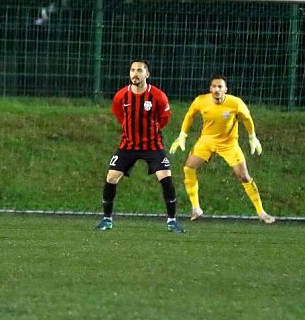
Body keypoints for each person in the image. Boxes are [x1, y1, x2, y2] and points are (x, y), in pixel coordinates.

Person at [170, 75, 276, 224]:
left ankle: (261, 212)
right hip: (207, 140)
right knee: (188, 168)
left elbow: (247, 118)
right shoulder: (201, 101)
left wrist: (252, 137)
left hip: (229, 143)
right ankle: (196, 208)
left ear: (226, 89)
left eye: (220, 87)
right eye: (214, 86)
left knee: (244, 176)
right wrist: (182, 135)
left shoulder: (235, 103)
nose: (216, 90)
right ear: (210, 88)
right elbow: (190, 115)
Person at [96, 59, 184, 233]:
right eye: (132, 70)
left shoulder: (158, 96)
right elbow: (119, 115)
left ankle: (172, 221)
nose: (135, 74)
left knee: (166, 179)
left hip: (153, 145)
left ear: (147, 74)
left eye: (140, 70)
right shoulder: (122, 95)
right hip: (128, 145)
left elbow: (164, 118)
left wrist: (150, 131)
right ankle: (107, 219)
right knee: (111, 177)